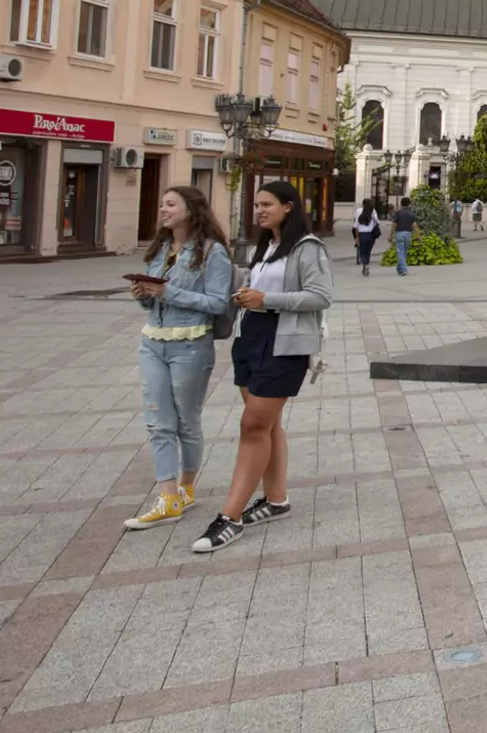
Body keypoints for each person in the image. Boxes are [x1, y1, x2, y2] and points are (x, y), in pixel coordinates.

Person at [193, 180, 332, 553]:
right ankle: (276, 500)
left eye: (267, 204)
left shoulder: (307, 248)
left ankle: (230, 516)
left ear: (289, 207)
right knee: (267, 425)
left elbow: (321, 296)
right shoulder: (265, 246)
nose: (259, 210)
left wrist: (266, 299)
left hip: (284, 343)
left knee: (253, 424)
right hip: (250, 337)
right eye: (256, 205)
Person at [124, 187, 233, 529]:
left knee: (187, 421)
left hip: (191, 343)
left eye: (170, 204)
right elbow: (153, 299)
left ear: (191, 210)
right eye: (161, 203)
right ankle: (167, 497)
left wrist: (168, 291)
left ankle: (186, 488)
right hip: (153, 341)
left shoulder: (212, 253)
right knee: (158, 420)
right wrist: (143, 295)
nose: (163, 209)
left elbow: (218, 303)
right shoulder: (158, 249)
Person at [390, 195, 418, 276]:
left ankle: (403, 270)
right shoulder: (411, 213)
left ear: (401, 204)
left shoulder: (398, 212)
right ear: (409, 204)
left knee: (400, 251)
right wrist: (418, 236)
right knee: (404, 251)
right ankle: (400, 268)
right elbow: (414, 225)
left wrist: (391, 235)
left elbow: (394, 224)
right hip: (408, 234)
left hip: (399, 233)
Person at [352, 198, 380, 276]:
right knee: (368, 252)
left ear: (363, 204)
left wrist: (357, 238)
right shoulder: (373, 211)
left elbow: (356, 226)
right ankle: (366, 265)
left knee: (362, 252)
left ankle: (365, 264)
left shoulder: (359, 211)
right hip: (371, 235)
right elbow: (377, 222)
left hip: (362, 235)